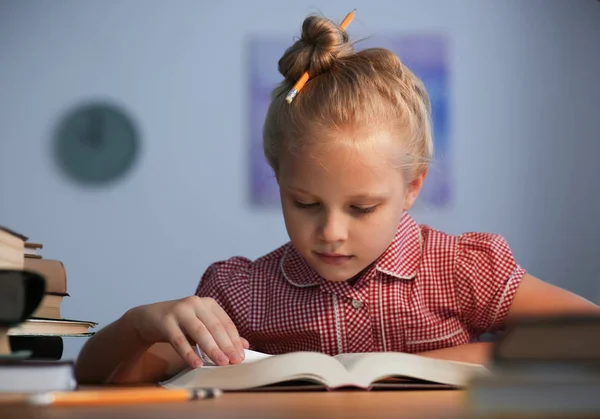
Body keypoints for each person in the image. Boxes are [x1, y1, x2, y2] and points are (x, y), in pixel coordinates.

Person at [75, 12, 599, 385]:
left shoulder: (460, 268)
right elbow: (98, 377)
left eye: (362, 208)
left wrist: (421, 365)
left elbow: (586, 335)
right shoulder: (240, 292)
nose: (330, 233)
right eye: (304, 203)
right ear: (279, 180)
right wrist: (140, 324)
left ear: (412, 186)